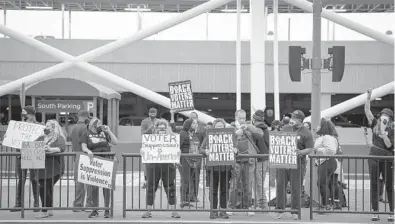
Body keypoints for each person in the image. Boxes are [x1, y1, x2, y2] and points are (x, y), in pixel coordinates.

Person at [275, 110, 314, 220]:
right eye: (292, 117)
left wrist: (300, 152)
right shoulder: (286, 128)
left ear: (300, 120)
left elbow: (310, 148)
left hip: (297, 164)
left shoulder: (307, 132)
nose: (291, 120)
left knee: (296, 188)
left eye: (294, 118)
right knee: (280, 186)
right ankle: (279, 210)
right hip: (283, 162)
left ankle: (295, 211)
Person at [364, 89, 394, 222]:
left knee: (389, 185)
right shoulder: (375, 124)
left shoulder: (392, 129)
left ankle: (392, 211)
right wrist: (368, 98)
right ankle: (375, 211)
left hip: (387, 158)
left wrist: (383, 133)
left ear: (390, 119)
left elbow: (389, 145)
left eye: (386, 117)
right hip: (374, 157)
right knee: (374, 185)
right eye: (382, 116)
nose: (383, 118)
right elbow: (367, 112)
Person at [142, 119, 181, 219]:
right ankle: (148, 210)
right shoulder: (150, 139)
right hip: (153, 165)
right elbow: (144, 150)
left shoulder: (171, 139)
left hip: (168, 165)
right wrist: (142, 151)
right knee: (151, 187)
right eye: (160, 128)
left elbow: (176, 151)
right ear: (156, 129)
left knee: (170, 187)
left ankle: (173, 211)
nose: (162, 130)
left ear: (167, 129)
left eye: (164, 128)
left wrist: (178, 153)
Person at [227, 109, 263, 216]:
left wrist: (248, 127)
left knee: (248, 185)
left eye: (244, 118)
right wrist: (235, 134)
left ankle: (248, 207)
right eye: (240, 118)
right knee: (234, 185)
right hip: (236, 161)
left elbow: (260, 134)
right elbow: (225, 139)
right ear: (235, 118)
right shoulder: (231, 128)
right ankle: (231, 207)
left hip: (249, 160)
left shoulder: (249, 127)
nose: (242, 120)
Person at [81, 117, 118, 218]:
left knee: (106, 186)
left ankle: (107, 209)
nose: (99, 125)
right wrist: (88, 151)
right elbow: (83, 146)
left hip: (106, 160)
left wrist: (109, 131)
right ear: (92, 124)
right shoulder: (86, 133)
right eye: (97, 123)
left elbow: (115, 142)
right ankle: (95, 209)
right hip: (94, 161)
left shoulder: (104, 132)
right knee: (93, 187)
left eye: (101, 123)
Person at [200, 118, 235, 219]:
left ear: (224, 127)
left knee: (224, 190)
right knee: (213, 190)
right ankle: (213, 211)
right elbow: (201, 148)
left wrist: (235, 150)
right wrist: (205, 151)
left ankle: (223, 211)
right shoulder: (208, 136)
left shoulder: (229, 137)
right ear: (214, 127)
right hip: (212, 168)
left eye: (221, 126)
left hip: (225, 168)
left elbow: (236, 149)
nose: (219, 128)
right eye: (217, 126)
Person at [11, 105, 41, 212]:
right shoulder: (20, 126)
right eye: (22, 113)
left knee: (35, 179)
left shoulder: (39, 126)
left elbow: (42, 139)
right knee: (21, 179)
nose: (23, 115)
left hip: (33, 155)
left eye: (25, 113)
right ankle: (19, 203)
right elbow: (13, 138)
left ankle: (36, 204)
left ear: (31, 114)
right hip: (21, 154)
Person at [35, 120, 66, 218]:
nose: (46, 127)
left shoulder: (58, 138)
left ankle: (44, 210)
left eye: (48, 126)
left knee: (44, 187)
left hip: (54, 167)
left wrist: (50, 149)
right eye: (45, 125)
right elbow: (32, 146)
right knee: (46, 188)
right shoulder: (41, 137)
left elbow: (62, 148)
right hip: (41, 167)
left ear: (53, 128)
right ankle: (49, 209)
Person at [313, 118, 339, 211]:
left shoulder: (327, 137)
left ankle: (325, 205)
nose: (317, 127)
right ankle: (327, 204)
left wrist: (318, 150)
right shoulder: (327, 137)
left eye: (319, 125)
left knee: (321, 183)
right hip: (326, 161)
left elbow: (331, 150)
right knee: (324, 184)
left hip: (327, 161)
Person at [179, 118, 205, 207]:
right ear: (188, 124)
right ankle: (183, 200)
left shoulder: (194, 134)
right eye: (193, 123)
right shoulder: (183, 134)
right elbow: (178, 146)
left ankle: (187, 199)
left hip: (193, 160)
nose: (195, 125)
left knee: (189, 179)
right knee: (185, 180)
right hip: (184, 159)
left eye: (196, 123)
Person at [70, 110, 92, 212]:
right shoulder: (86, 127)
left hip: (76, 155)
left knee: (79, 182)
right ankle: (89, 204)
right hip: (86, 156)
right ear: (86, 117)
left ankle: (78, 204)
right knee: (89, 181)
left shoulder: (73, 127)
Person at [251, 110, 270, 209]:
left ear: (254, 119)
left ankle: (262, 204)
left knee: (258, 183)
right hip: (265, 158)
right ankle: (260, 203)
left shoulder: (255, 130)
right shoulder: (266, 130)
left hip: (259, 159)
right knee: (259, 182)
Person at [141, 108, 159, 189]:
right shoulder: (144, 121)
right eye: (151, 112)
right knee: (147, 165)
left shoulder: (159, 121)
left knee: (156, 165)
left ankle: (156, 182)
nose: (152, 113)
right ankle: (146, 182)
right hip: (147, 146)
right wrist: (149, 128)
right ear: (148, 113)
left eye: (154, 112)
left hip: (156, 146)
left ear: (156, 113)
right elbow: (142, 134)